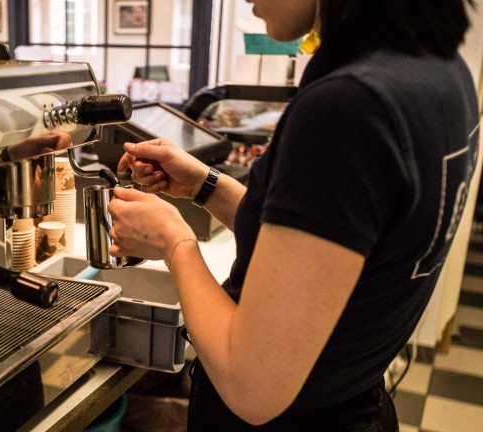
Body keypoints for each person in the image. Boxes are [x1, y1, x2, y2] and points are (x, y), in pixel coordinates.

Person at [107, 0, 480, 430]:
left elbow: (252, 386)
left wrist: (174, 242)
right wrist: (204, 187)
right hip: (356, 405)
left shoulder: (349, 106)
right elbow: (326, 251)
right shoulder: (439, 69)